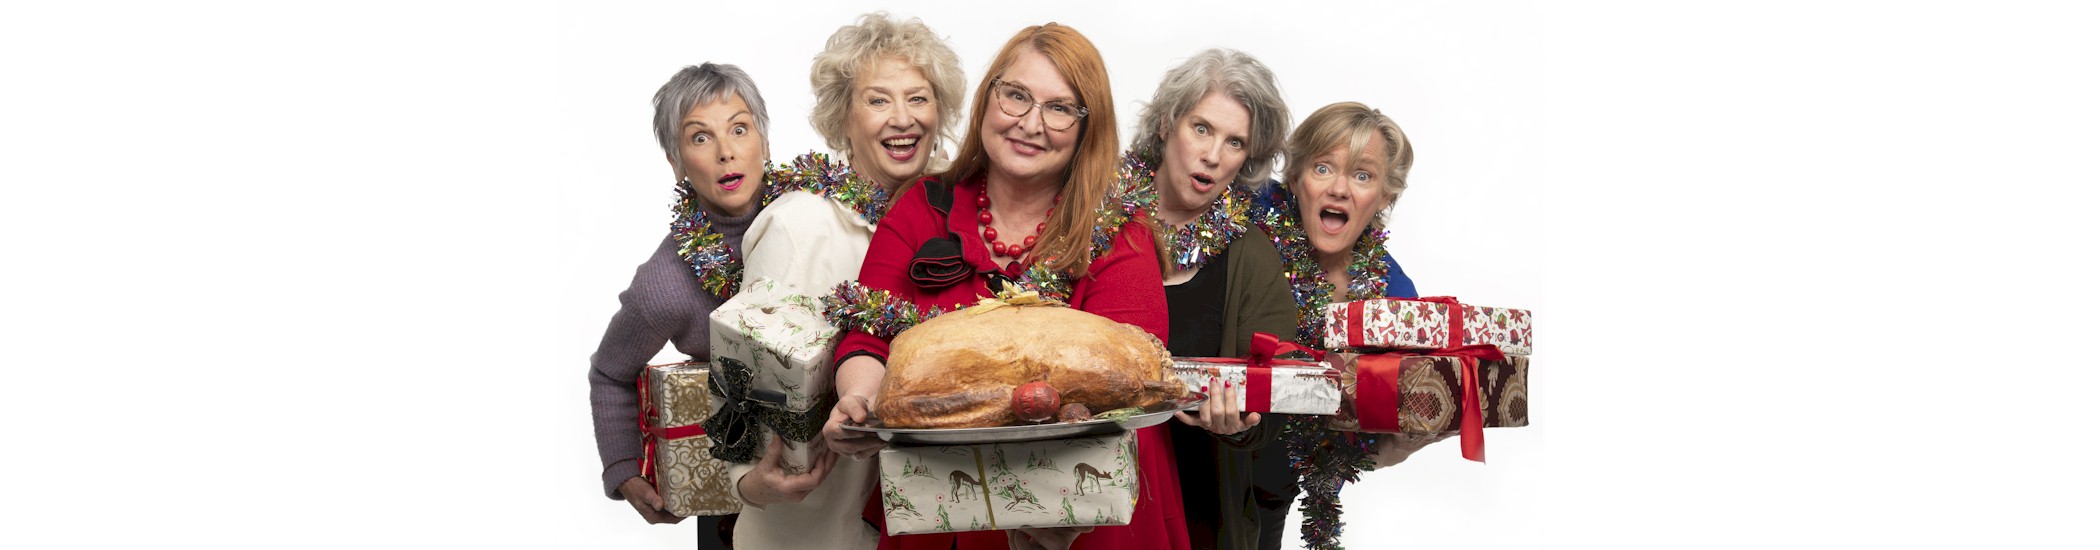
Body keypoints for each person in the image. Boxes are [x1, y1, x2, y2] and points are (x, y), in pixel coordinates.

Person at [818, 23, 1190, 550]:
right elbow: (867, 335)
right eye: (1016, 95)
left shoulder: (1120, 236)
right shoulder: (921, 206)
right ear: (987, 97)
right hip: (937, 509)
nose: (1030, 123)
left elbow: (1130, 385)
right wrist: (859, 400)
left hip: (1084, 516)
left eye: (1059, 108)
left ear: (1088, 128)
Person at [728, 12, 967, 550]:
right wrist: (748, 483)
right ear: (844, 116)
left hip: (923, 524)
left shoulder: (963, 223)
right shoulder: (798, 223)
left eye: (919, 97)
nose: (902, 119)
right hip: (813, 526)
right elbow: (740, 376)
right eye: (878, 100)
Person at [585, 63, 774, 549]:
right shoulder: (665, 283)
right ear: (676, 161)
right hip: (732, 508)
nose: (726, 151)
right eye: (700, 137)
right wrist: (624, 469)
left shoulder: (819, 216)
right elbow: (610, 373)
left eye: (739, 128)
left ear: (764, 140)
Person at [1119, 49, 1300, 550]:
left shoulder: (1254, 257)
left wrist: (1240, 428)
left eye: (1234, 142)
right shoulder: (1094, 217)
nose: (1213, 155)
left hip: (1201, 517)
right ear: (1164, 124)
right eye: (1201, 129)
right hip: (1089, 512)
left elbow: (1278, 395)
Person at [1253, 101, 1443, 549]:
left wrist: (1410, 432)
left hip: (1273, 496)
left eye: (1362, 175)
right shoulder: (1248, 219)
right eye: (1323, 167)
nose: (1339, 189)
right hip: (1191, 465)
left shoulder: (1394, 295)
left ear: (1385, 196)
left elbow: (1371, 436)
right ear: (1295, 177)